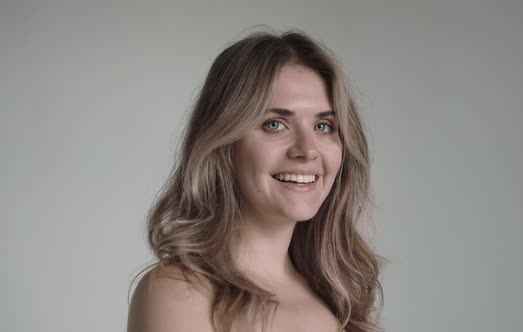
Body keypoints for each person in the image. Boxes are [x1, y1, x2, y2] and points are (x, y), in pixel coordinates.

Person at [127, 29, 384, 332]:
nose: (307, 150)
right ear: (224, 142)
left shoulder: (338, 301)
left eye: (324, 126)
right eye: (275, 124)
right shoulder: (179, 293)